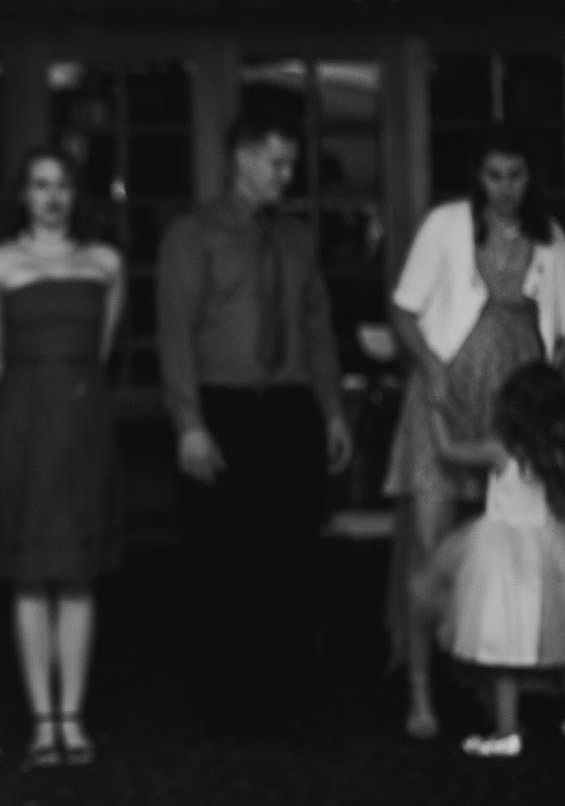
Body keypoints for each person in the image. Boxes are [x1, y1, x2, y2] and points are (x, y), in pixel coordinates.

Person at [156, 111, 353, 737]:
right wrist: (189, 422)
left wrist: (333, 410)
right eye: (277, 161)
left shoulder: (296, 239)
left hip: (290, 410)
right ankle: (225, 703)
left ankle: (288, 694)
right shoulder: (190, 235)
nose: (287, 175)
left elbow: (317, 330)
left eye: (292, 163)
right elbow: (175, 335)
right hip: (223, 408)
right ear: (242, 157)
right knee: (220, 561)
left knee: (292, 559)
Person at [384, 126, 565, 739]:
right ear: (477, 176)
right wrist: (433, 372)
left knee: (509, 555)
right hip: (448, 396)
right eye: (494, 175)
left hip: (516, 412)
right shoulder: (446, 225)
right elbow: (404, 308)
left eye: (517, 175)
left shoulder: (553, 240)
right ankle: (420, 689)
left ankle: (494, 686)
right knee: (431, 551)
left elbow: (558, 334)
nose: (507, 189)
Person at [0, 148, 123, 766]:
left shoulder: (105, 263)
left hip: (86, 423)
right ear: (23, 194)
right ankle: (43, 722)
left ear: (75, 194)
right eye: (40, 185)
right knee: (32, 573)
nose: (53, 196)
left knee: (79, 572)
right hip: (24, 425)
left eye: (62, 185)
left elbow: (104, 346)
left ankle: (74, 718)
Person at [411, 361, 565, 758]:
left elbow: (448, 452)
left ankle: (506, 732)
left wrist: (435, 410)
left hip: (501, 559)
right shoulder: (554, 455)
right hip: (551, 550)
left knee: (502, 651)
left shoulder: (502, 451)